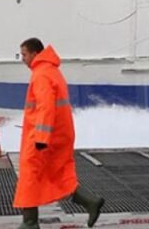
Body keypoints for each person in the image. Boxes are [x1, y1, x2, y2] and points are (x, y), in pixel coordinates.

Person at [14, 38, 105, 229]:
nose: (22, 59)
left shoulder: (41, 75)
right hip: (61, 134)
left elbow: (46, 108)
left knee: (29, 174)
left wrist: (40, 139)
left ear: (34, 54)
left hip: (45, 138)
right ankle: (90, 202)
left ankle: (29, 223)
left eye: (24, 54)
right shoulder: (53, 71)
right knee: (59, 174)